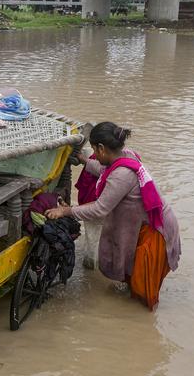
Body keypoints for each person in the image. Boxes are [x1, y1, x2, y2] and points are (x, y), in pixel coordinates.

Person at [45, 123, 181, 310]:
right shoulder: (127, 156)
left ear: (101, 148)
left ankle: (138, 325)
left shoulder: (121, 175)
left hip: (156, 230)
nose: (94, 154)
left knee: (143, 291)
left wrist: (66, 211)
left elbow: (100, 209)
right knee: (133, 279)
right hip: (149, 223)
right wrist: (84, 160)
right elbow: (103, 170)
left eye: (94, 150)